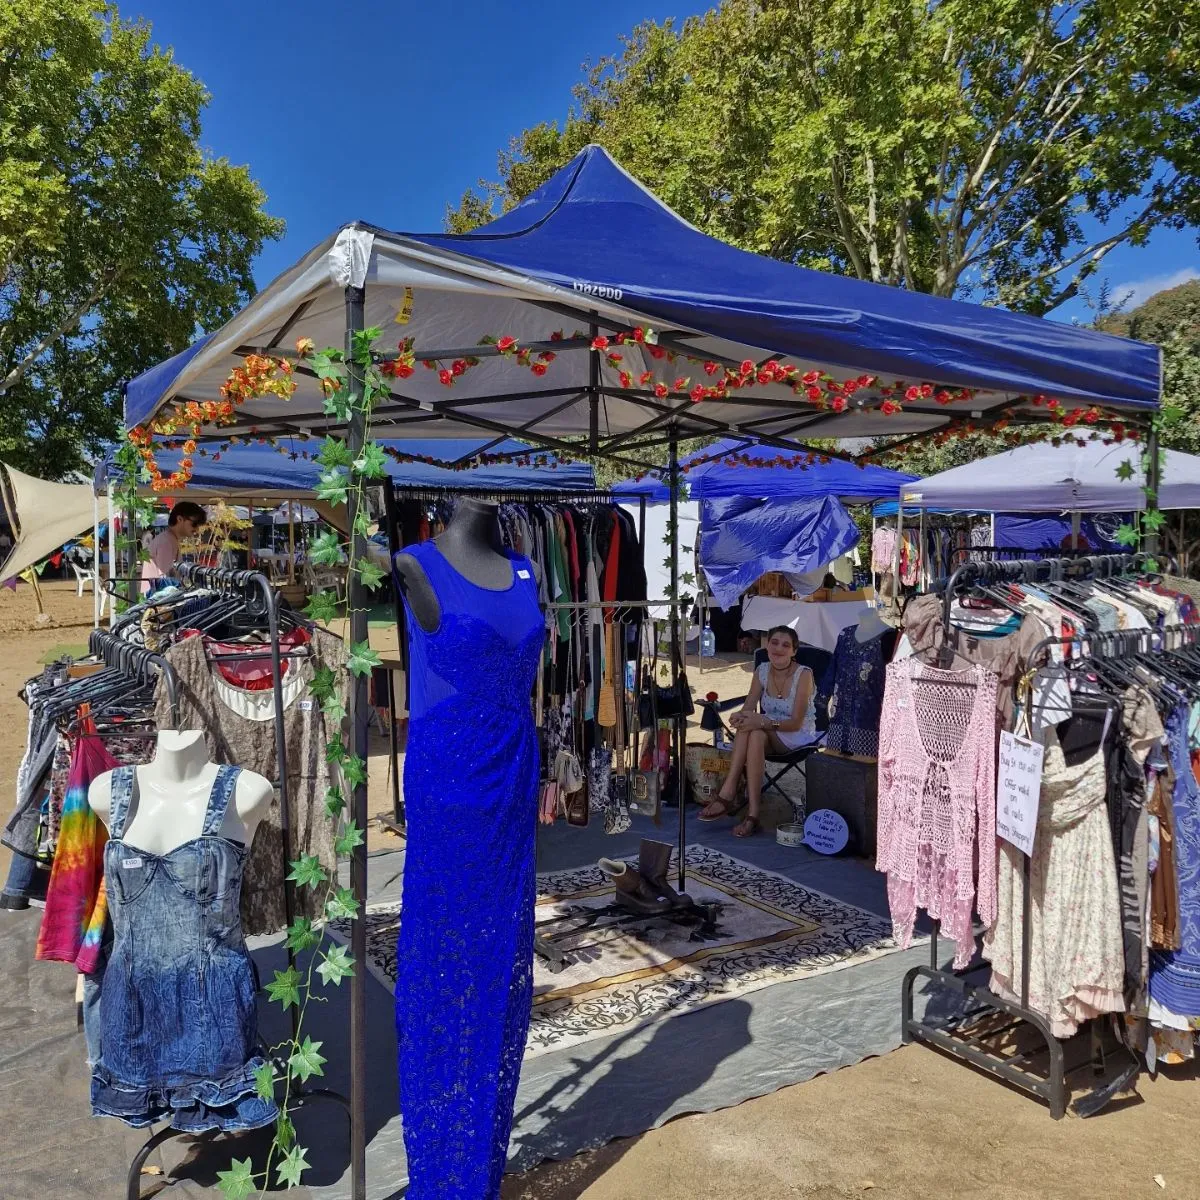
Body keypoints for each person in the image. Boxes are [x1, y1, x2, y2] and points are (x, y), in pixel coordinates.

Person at [699, 625, 816, 837]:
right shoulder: (762, 670)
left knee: (755, 728)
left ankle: (728, 792)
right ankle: (752, 813)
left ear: (794, 651)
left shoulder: (804, 675)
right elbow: (749, 704)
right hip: (766, 731)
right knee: (752, 731)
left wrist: (761, 720)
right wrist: (740, 717)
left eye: (786, 645)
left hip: (796, 735)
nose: (778, 648)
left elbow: (796, 723)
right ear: (766, 645)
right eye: (774, 642)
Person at [140, 501, 207, 594]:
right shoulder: (166, 541)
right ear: (180, 519)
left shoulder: (169, 539)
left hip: (158, 599)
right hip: (158, 600)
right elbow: (165, 579)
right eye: (194, 524)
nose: (197, 529)